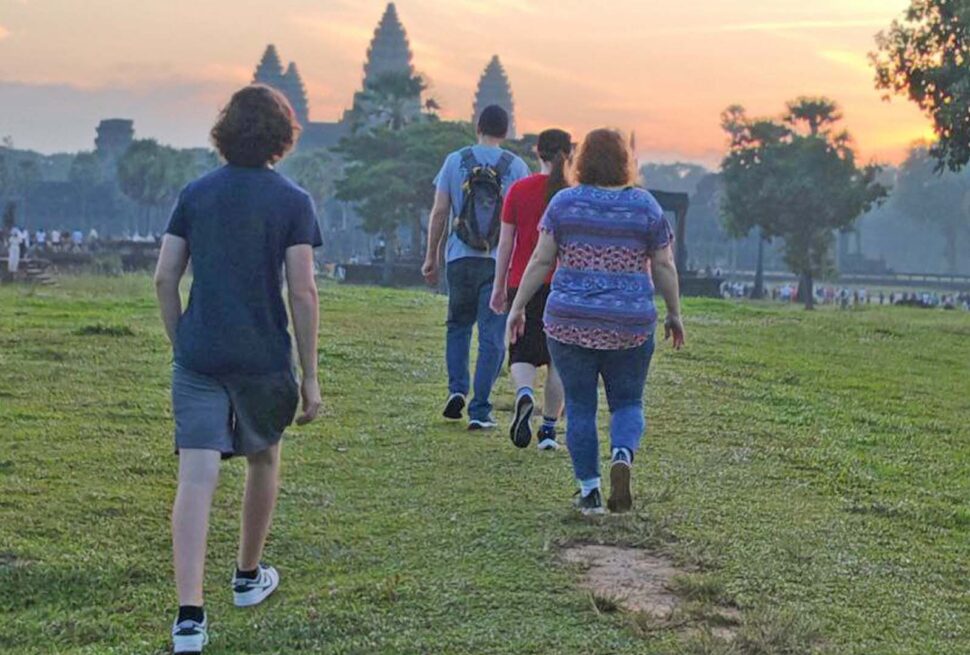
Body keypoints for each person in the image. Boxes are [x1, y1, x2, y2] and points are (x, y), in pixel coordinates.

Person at [153, 84, 323, 654]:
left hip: (200, 353)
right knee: (263, 458)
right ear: (282, 137)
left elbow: (164, 278)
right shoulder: (293, 200)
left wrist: (183, 340)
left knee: (196, 477)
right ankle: (248, 577)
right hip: (263, 355)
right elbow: (302, 290)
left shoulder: (195, 193)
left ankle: (189, 619)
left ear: (225, 131)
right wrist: (311, 375)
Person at [507, 128, 685, 515]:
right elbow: (664, 264)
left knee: (582, 406)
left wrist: (518, 306)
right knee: (627, 402)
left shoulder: (563, 203)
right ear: (626, 162)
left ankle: (589, 491)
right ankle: (622, 454)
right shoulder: (645, 206)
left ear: (581, 161)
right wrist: (674, 314)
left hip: (570, 320)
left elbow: (540, 261)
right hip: (630, 323)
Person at [422, 105, 530, 430]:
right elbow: (523, 223)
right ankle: (480, 409)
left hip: (459, 257)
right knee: (492, 336)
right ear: (506, 130)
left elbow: (440, 212)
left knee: (458, 326)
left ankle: (457, 389)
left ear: (477, 125)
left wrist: (432, 255)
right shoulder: (517, 166)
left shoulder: (455, 161)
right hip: (498, 262)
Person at [489, 128, 572, 450]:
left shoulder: (519, 191)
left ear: (538, 152)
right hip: (564, 287)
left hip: (522, 282)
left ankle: (524, 394)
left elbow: (505, 243)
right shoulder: (572, 195)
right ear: (570, 153)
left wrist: (499, 287)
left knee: (521, 350)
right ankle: (549, 430)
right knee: (558, 359)